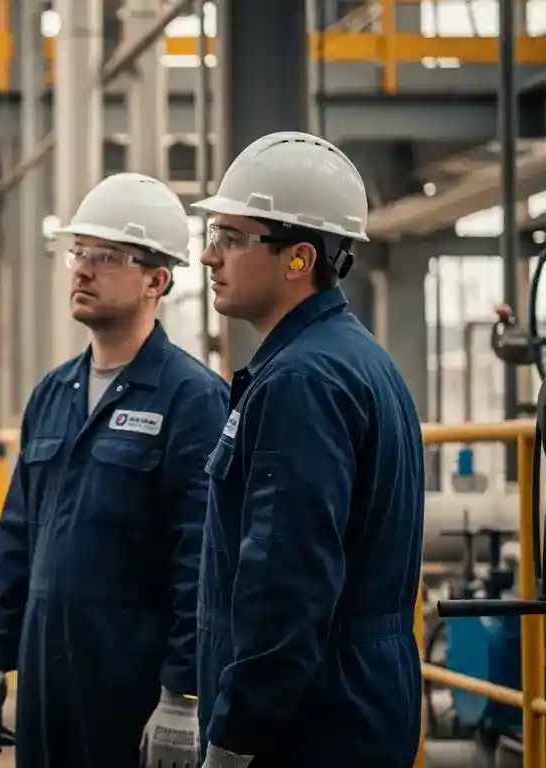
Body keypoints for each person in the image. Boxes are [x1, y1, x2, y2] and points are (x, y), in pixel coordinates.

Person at [0, 173, 231, 767]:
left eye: (106, 256)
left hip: (132, 686)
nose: (82, 270)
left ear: (156, 280)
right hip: (46, 679)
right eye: (79, 252)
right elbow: (17, 537)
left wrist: (182, 694)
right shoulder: (52, 393)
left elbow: (201, 559)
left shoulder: (192, 399)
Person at [191, 131, 425, 767]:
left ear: (298, 259)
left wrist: (236, 734)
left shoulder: (303, 381)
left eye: (231, 238)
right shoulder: (349, 359)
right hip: (352, 699)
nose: (209, 256)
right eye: (213, 234)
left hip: (309, 721)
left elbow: (286, 581)